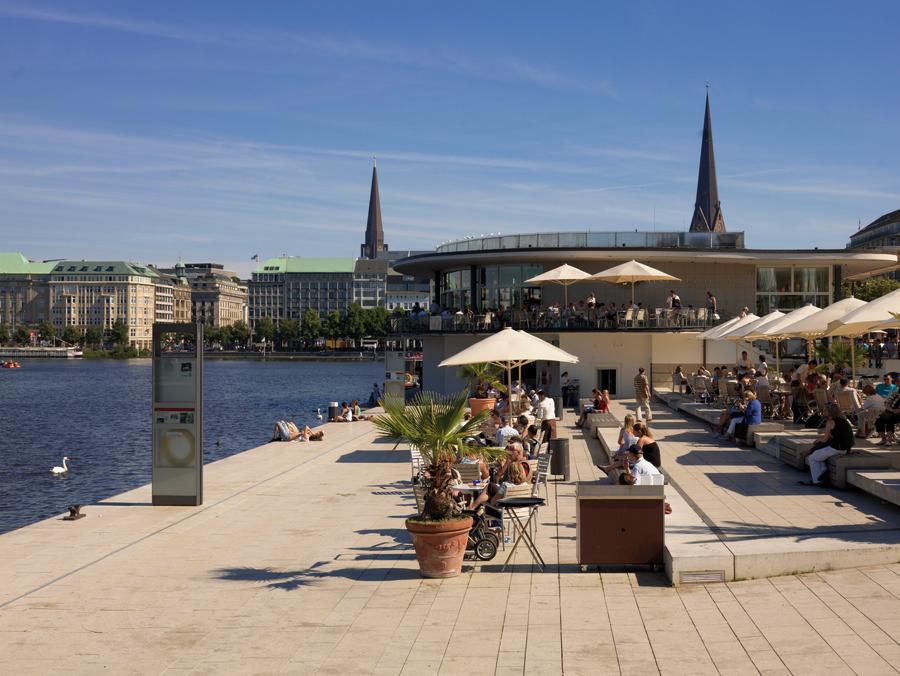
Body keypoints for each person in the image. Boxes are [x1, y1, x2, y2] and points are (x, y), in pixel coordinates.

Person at [799, 404, 854, 486]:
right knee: (818, 455)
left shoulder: (830, 422)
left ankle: (818, 481)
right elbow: (834, 435)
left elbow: (825, 439)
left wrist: (818, 440)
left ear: (829, 412)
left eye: (825, 410)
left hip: (837, 448)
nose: (823, 412)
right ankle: (822, 472)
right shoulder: (843, 420)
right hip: (846, 448)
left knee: (812, 458)